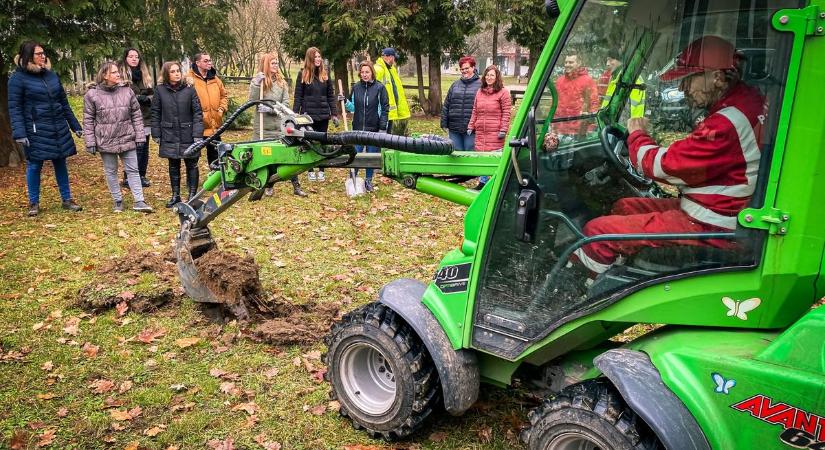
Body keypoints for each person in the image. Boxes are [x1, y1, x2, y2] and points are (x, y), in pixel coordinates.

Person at [573, 36, 765, 276]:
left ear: (717, 77)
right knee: (624, 206)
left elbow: (667, 167)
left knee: (597, 234)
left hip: (711, 225)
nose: (683, 89)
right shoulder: (747, 101)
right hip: (716, 211)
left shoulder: (727, 122)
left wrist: (638, 135)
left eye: (688, 80)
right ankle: (621, 272)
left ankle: (583, 288)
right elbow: (700, 158)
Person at [8, 41, 83, 216]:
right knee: (34, 165)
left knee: (60, 162)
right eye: (38, 54)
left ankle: (67, 199)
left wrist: (75, 126)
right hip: (34, 130)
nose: (43, 56)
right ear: (28, 56)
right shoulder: (17, 79)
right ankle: (33, 203)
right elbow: (15, 108)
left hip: (57, 126)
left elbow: (64, 103)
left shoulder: (51, 76)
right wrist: (19, 133)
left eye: (44, 53)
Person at [83, 61, 153, 213]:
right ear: (104, 75)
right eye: (114, 72)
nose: (118, 74)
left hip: (127, 137)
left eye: (117, 72)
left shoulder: (127, 91)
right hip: (106, 139)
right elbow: (88, 120)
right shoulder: (92, 95)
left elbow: (136, 115)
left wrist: (140, 136)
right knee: (111, 171)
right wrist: (90, 142)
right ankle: (117, 201)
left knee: (133, 170)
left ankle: (139, 201)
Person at [248, 52, 306, 197]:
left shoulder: (281, 83)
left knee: (287, 154)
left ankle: (296, 186)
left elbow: (286, 104)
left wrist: (272, 109)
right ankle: (267, 185)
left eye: (276, 63)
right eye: (272, 63)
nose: (276, 65)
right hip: (262, 127)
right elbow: (251, 101)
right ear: (266, 65)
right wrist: (256, 84)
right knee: (264, 157)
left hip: (279, 126)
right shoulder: (259, 82)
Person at [151, 61, 204, 208]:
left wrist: (197, 134)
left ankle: (193, 195)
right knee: (173, 165)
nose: (176, 74)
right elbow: (155, 112)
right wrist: (156, 132)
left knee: (192, 164)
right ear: (167, 74)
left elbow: (197, 113)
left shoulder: (189, 90)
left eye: (178, 71)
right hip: (169, 133)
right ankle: (176, 195)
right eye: (173, 71)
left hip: (188, 133)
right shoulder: (160, 90)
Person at [342, 61, 389, 192]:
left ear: (372, 72)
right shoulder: (356, 87)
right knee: (355, 155)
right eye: (362, 72)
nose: (364, 74)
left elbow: (385, 109)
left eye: (367, 72)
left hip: (374, 129)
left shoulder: (380, 88)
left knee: (371, 156)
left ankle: (368, 181)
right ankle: (353, 179)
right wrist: (345, 101)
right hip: (357, 128)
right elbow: (353, 108)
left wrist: (382, 128)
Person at [293, 46, 338, 182]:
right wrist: (295, 114)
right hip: (308, 115)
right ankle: (310, 169)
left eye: (319, 57)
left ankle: (321, 169)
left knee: (322, 141)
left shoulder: (325, 75)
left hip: (323, 114)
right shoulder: (303, 75)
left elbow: (330, 95)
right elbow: (298, 96)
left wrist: (334, 114)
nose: (318, 59)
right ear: (310, 59)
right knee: (309, 142)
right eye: (316, 57)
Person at [467, 65, 512, 190]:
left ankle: (494, 185)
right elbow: (475, 110)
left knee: (493, 157)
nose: (489, 77)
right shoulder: (480, 92)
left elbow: (506, 113)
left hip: (495, 132)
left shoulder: (503, 92)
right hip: (481, 132)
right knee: (482, 157)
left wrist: (503, 129)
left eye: (492, 75)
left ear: (497, 77)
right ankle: (482, 184)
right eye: (487, 75)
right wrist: (471, 125)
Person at [119, 48, 154, 188]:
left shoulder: (145, 76)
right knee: (132, 148)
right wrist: (137, 97)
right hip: (128, 118)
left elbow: (153, 94)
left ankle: (141, 175)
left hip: (145, 116)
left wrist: (148, 99)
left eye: (137, 57)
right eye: (131, 56)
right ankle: (129, 176)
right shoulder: (121, 75)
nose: (134, 59)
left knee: (144, 147)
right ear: (125, 58)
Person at [189, 52, 227, 165]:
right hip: (197, 126)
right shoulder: (189, 79)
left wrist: (221, 109)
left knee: (216, 157)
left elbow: (224, 95)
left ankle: (217, 180)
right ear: (197, 63)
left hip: (214, 125)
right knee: (193, 157)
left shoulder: (215, 79)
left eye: (210, 60)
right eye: (206, 61)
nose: (209, 63)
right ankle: (192, 182)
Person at [554, 53, 599, 138]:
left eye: (571, 62)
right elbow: (555, 104)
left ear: (579, 63)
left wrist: (590, 127)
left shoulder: (588, 81)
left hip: (579, 131)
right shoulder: (559, 81)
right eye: (566, 62)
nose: (567, 65)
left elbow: (594, 103)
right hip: (561, 129)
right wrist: (553, 124)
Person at [441, 56, 481, 150]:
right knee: (456, 154)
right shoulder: (455, 85)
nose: (464, 71)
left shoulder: (481, 85)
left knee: (470, 153)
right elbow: (447, 105)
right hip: (454, 128)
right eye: (462, 69)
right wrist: (443, 122)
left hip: (472, 129)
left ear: (473, 68)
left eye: (467, 68)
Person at [374, 48, 410, 136]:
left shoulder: (391, 69)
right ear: (389, 57)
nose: (394, 60)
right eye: (394, 58)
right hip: (382, 112)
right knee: (381, 137)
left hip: (389, 112)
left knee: (388, 137)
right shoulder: (378, 69)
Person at [600, 49, 645, 118]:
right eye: (607, 60)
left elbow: (626, 115)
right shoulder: (616, 78)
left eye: (611, 60)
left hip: (628, 126)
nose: (607, 64)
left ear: (620, 60)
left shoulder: (631, 79)